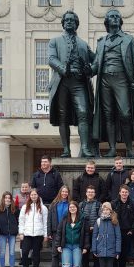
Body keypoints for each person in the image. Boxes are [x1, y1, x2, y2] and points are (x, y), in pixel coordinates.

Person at [91, 9, 134, 158]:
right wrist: (85, 70)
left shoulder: (129, 39)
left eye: (117, 16)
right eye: (112, 16)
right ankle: (112, 148)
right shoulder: (101, 42)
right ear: (107, 21)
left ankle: (130, 149)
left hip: (121, 79)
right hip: (104, 80)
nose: (115, 18)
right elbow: (96, 65)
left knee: (125, 113)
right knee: (108, 114)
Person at [48, 10, 95, 158]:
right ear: (63, 23)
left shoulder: (83, 44)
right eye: (66, 20)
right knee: (63, 116)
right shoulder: (55, 41)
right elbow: (51, 59)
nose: (69, 22)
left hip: (79, 82)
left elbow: (96, 61)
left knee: (83, 113)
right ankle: (66, 150)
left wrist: (90, 70)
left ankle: (86, 148)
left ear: (76, 24)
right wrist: (63, 69)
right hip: (62, 81)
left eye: (72, 20)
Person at [55, 201, 91, 267]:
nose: (72, 208)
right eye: (70, 207)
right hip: (66, 246)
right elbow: (59, 232)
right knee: (66, 266)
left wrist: (85, 247)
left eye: (74, 207)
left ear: (77, 208)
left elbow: (86, 234)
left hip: (77, 246)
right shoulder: (64, 218)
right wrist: (58, 245)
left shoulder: (83, 219)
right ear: (68, 209)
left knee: (76, 266)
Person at [18, 189, 48, 267]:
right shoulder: (25, 207)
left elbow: (45, 222)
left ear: (38, 196)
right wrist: (21, 232)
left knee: (36, 254)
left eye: (35, 194)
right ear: (29, 196)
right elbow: (21, 221)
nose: (33, 196)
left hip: (38, 234)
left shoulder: (43, 208)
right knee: (25, 252)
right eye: (32, 195)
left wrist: (45, 234)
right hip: (27, 234)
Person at [111, 185, 134, 267]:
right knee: (114, 251)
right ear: (119, 192)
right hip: (115, 232)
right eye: (123, 192)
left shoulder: (132, 204)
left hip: (127, 232)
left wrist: (132, 230)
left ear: (128, 193)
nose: (124, 194)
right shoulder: (114, 203)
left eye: (126, 192)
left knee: (124, 253)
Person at [0, 191, 20, 267]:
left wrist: (16, 229)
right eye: (6, 198)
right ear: (3, 198)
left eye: (9, 198)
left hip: (12, 234)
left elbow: (19, 220)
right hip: (2, 234)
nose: (7, 199)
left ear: (11, 199)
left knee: (12, 252)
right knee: (2, 252)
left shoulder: (15, 209)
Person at [92, 202, 121, 267]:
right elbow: (94, 236)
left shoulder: (114, 221)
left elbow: (118, 237)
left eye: (107, 209)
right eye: (103, 209)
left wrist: (118, 251)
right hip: (101, 248)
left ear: (110, 211)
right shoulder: (98, 221)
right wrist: (94, 249)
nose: (105, 211)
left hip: (111, 249)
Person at [47, 185, 70, 267]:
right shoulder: (54, 204)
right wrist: (49, 232)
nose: (64, 193)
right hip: (55, 231)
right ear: (60, 192)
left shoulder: (70, 204)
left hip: (67, 231)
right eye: (63, 191)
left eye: (66, 192)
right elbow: (49, 220)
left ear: (68, 193)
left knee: (65, 253)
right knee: (55, 253)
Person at [79, 185, 101, 267]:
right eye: (89, 192)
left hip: (96, 232)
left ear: (94, 194)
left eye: (92, 192)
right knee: (85, 252)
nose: (90, 193)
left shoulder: (98, 204)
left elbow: (100, 218)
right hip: (84, 232)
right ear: (86, 193)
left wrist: (94, 227)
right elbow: (79, 218)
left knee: (96, 252)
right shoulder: (81, 205)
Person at [14, 182, 30, 266]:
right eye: (23, 187)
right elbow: (15, 209)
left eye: (26, 187)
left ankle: (29, 258)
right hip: (21, 220)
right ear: (20, 188)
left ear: (29, 188)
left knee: (30, 240)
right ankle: (22, 258)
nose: (24, 189)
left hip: (30, 220)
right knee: (22, 240)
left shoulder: (31, 196)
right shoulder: (17, 197)